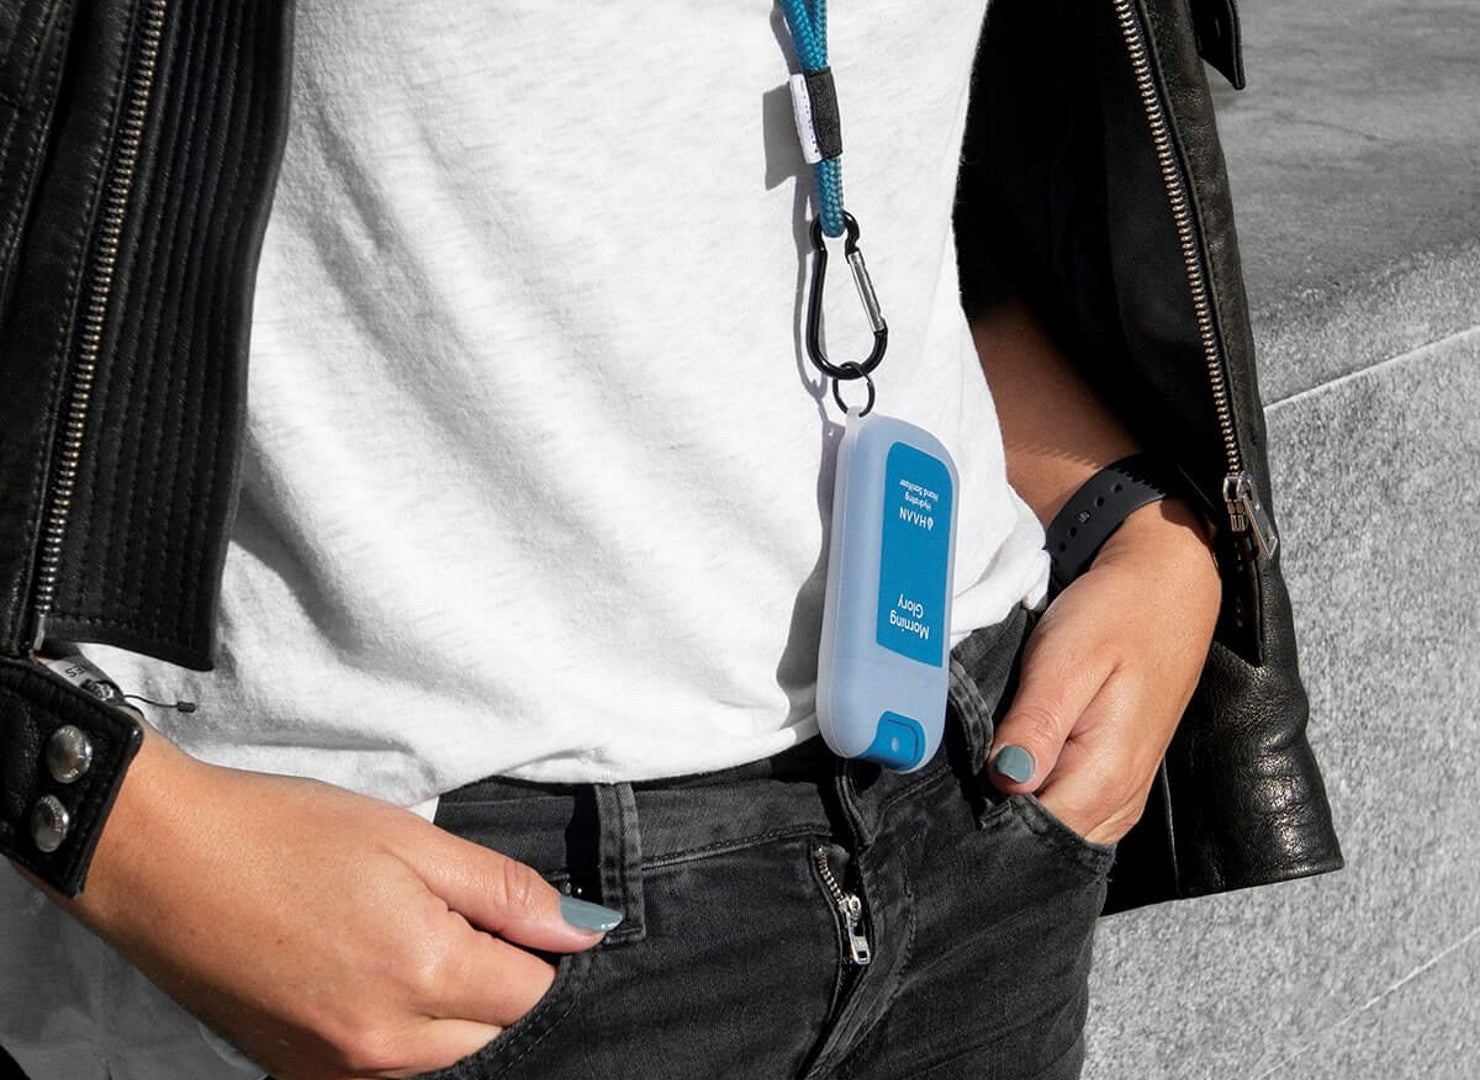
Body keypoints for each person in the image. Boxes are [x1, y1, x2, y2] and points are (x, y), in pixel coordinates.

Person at [0, 1, 1342, 1078]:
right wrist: (110, 823)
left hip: (978, 817)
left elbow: (967, 129)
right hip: (423, 913)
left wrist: (1131, 514)